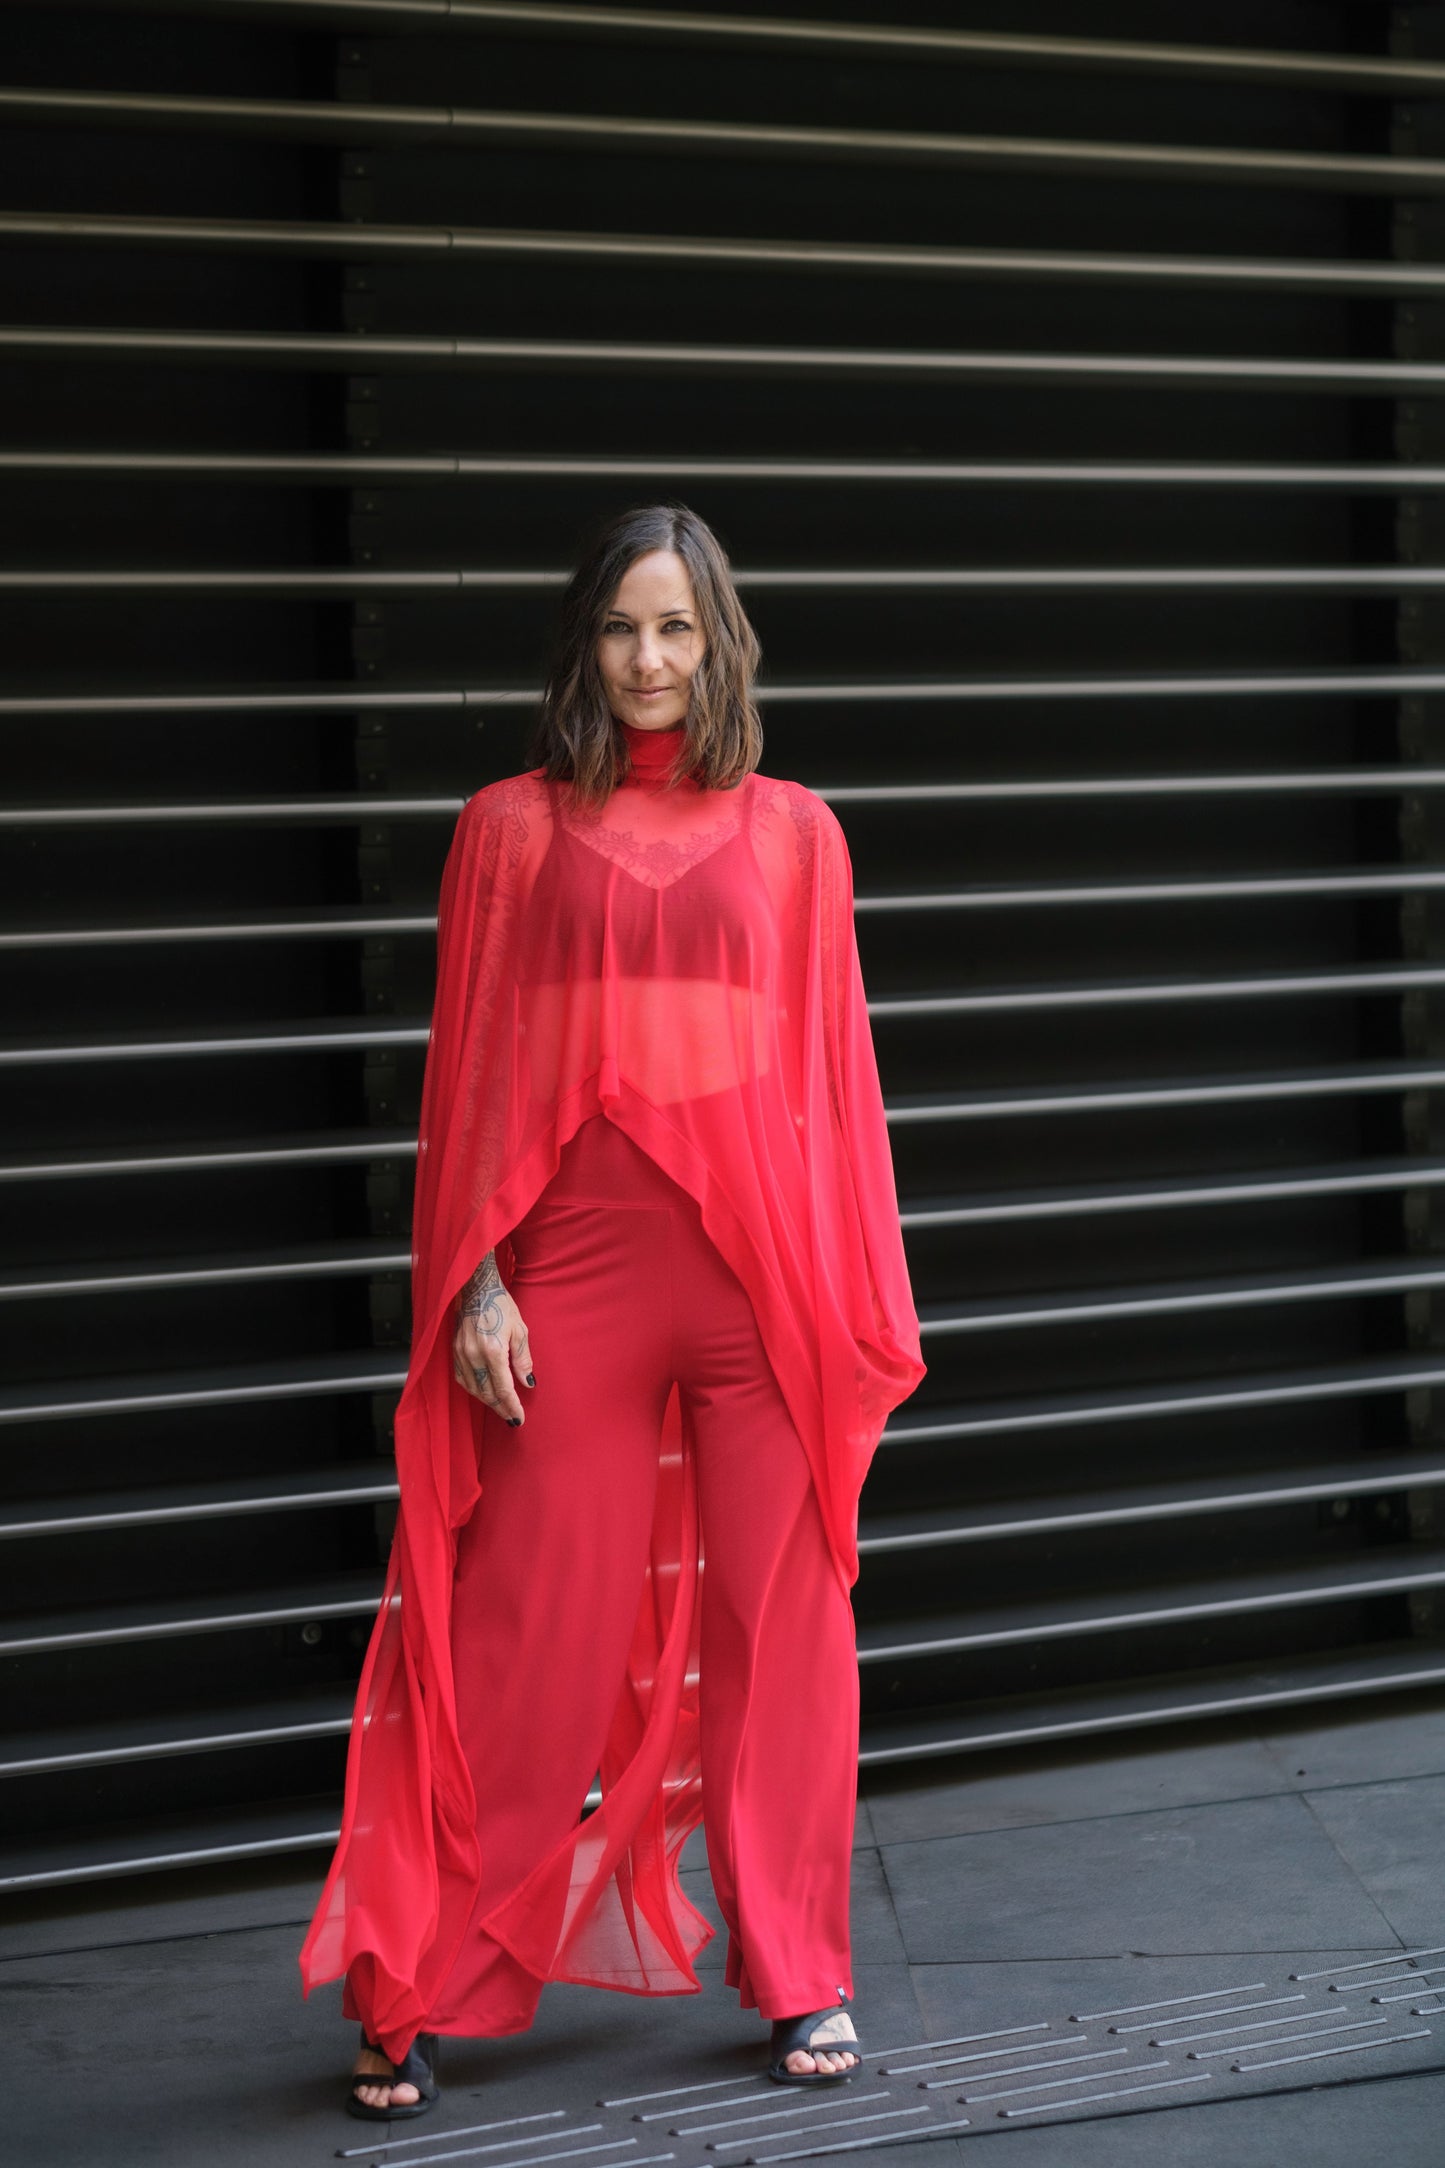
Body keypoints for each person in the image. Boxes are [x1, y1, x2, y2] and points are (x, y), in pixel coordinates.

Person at [297, 503, 927, 2121]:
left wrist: (845, 1299)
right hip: (565, 1268)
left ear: (720, 645)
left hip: (756, 1282)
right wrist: (475, 1284)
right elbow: (474, 1081)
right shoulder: (506, 829)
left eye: (677, 630)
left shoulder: (799, 835)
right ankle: (421, 1977)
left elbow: (830, 1090)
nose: (648, 662)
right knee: (525, 1634)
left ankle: (800, 1970)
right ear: (583, 646)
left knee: (784, 1642)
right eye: (620, 630)